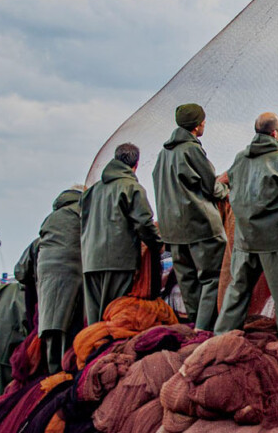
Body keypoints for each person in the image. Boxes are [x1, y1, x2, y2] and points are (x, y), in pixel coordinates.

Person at [215, 112, 278, 339]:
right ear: (276, 133)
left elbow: (232, 187)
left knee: (238, 290)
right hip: (274, 238)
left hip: (245, 237)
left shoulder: (240, 158)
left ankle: (223, 335)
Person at [153, 103, 229, 331]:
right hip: (200, 225)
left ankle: (196, 323)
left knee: (187, 281)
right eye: (203, 121)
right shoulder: (192, 150)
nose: (204, 124)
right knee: (211, 277)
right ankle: (204, 329)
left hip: (173, 231)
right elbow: (209, 186)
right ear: (196, 125)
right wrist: (225, 190)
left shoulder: (162, 155)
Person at [81, 143, 162, 324]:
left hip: (90, 262)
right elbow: (144, 224)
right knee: (116, 318)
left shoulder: (91, 192)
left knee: (96, 323)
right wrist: (158, 244)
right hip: (118, 262)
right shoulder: (132, 188)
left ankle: (93, 351)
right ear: (136, 165)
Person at [36, 186, 84, 373]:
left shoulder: (50, 218)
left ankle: (53, 373)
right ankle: (65, 375)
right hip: (72, 273)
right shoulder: (80, 212)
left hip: (46, 277)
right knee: (70, 327)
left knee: (52, 329)